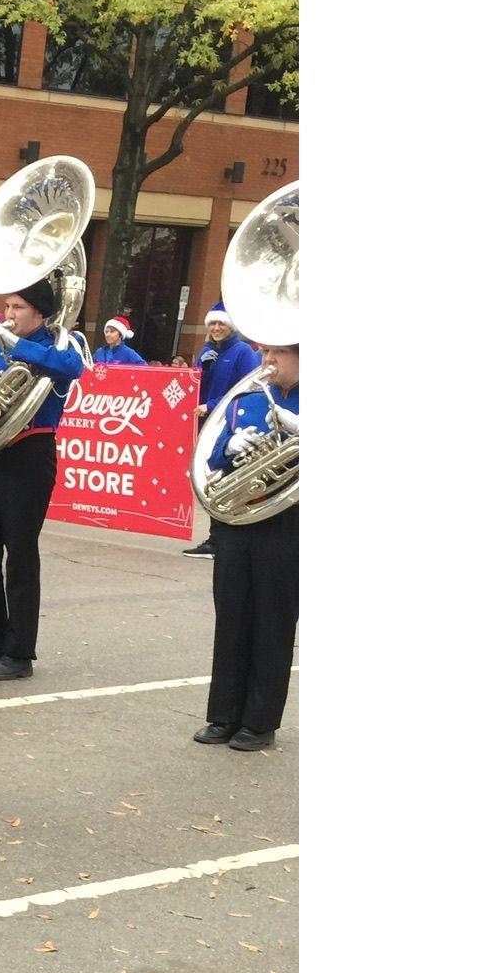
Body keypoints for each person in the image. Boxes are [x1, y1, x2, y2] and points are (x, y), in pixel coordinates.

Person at [0, 270, 84, 682]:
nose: (8, 315)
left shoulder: (59, 344)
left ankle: (19, 652)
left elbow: (72, 368)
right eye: (7, 306)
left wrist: (19, 345)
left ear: (39, 313)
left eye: (18, 307)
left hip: (30, 455)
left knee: (21, 555)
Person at [197, 341, 299, 752]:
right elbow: (213, 448)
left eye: (278, 354)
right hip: (239, 516)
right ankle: (224, 715)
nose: (267, 362)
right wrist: (229, 448)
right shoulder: (247, 397)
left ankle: (259, 722)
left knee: (272, 618)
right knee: (232, 613)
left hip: (289, 520)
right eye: (264, 353)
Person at [184, 303, 261, 557]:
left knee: (222, 478)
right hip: (206, 422)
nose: (217, 328)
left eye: (221, 324)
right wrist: (201, 371)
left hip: (226, 423)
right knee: (209, 479)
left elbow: (246, 388)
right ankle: (216, 539)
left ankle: (219, 540)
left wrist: (212, 406)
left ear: (231, 326)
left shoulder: (242, 352)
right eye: (213, 324)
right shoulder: (208, 350)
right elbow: (195, 387)